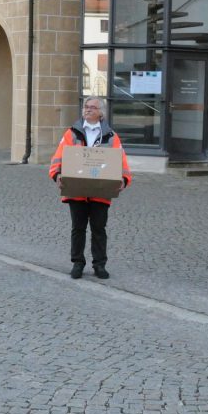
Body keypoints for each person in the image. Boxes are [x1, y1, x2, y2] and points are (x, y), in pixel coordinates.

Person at [49, 96, 132, 279]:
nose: (87, 110)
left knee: (99, 228)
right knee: (78, 228)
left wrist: (124, 179)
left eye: (92, 107)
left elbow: (122, 162)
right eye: (86, 107)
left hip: (101, 191)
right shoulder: (71, 134)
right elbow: (58, 158)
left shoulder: (110, 136)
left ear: (100, 112)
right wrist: (57, 174)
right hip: (76, 190)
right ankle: (77, 263)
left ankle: (99, 265)